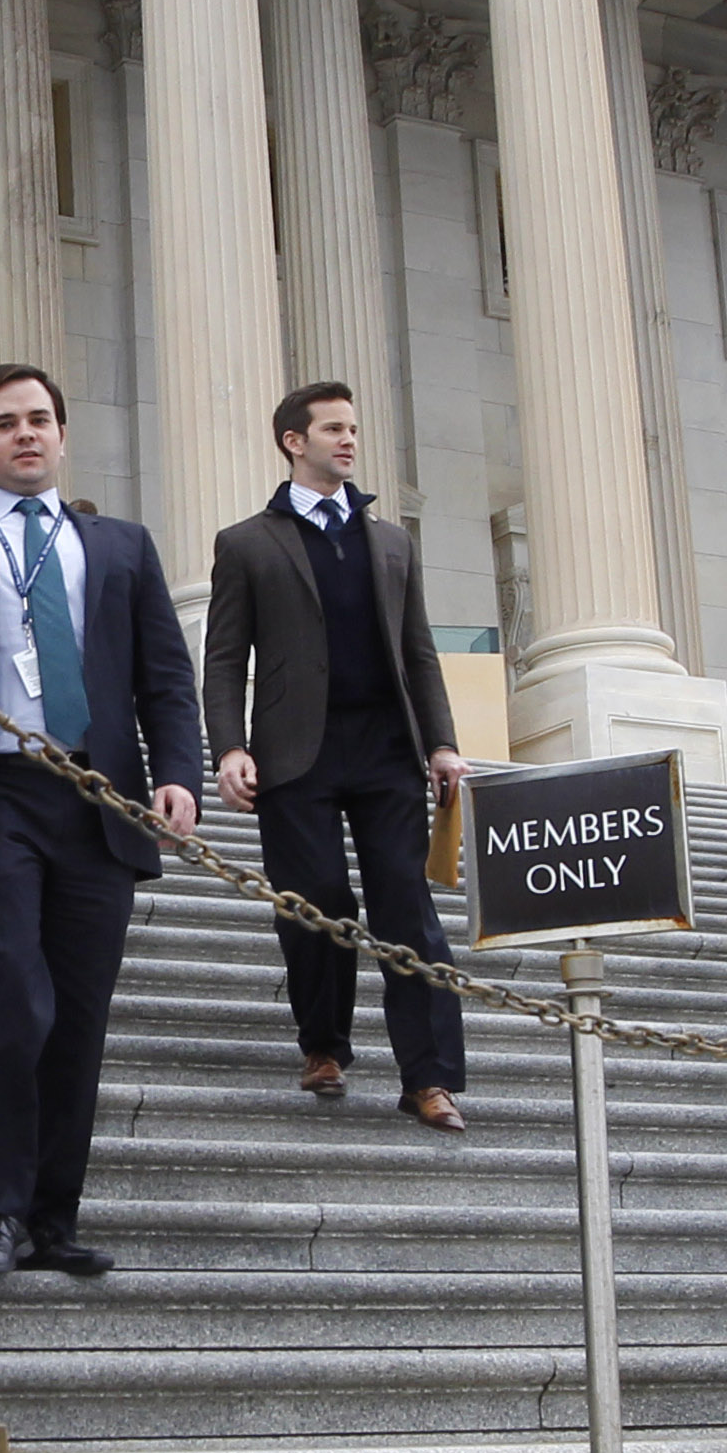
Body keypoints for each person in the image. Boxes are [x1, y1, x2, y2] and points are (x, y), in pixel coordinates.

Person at [0, 364, 201, 1278]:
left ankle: (53, 1217)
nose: (26, 434)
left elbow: (165, 675)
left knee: (78, 1015)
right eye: (5, 423)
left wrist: (178, 775)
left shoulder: (120, 545)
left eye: (40, 418)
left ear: (61, 432)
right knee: (12, 988)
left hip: (98, 799)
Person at [206, 382, 473, 1129]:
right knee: (314, 903)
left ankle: (428, 1077)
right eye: (332, 429)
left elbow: (419, 652)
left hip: (387, 752)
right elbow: (224, 659)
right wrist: (229, 746)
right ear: (294, 442)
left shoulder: (391, 541)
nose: (348, 440)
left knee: (408, 909)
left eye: (352, 428)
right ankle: (323, 1045)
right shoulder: (246, 543)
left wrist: (442, 743)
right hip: (296, 757)